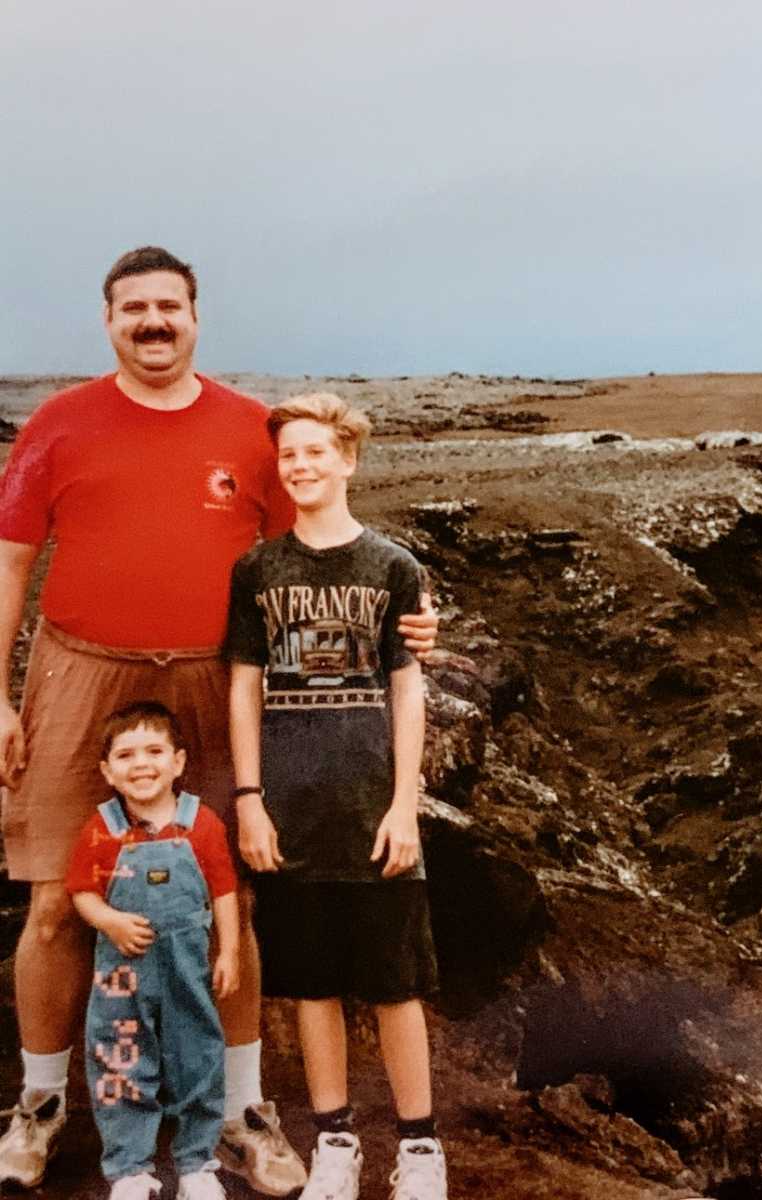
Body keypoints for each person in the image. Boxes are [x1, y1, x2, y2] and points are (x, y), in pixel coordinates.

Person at [0, 246, 439, 1194]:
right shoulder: (58, 423)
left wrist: (408, 623)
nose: (153, 323)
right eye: (134, 309)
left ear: (196, 316)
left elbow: (316, 553)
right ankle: (39, 1106)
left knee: (229, 894)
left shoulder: (251, 430)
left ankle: (240, 1109)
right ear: (107, 319)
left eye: (170, 306)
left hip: (214, 678)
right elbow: (9, 566)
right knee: (49, 901)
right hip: (79, 673)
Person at [226, 394, 447, 1200]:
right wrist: (250, 798)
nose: (302, 466)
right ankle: (335, 1143)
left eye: (317, 452)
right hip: (291, 813)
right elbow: (244, 687)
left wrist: (403, 804)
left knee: (395, 985)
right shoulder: (258, 570)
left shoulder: (392, 567)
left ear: (349, 459)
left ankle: (420, 1150)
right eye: (289, 456)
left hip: (371, 812)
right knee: (313, 985)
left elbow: (408, 691)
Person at [67, 702, 238, 1200]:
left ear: (179, 762)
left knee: (198, 1058)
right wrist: (110, 921)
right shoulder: (102, 828)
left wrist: (228, 953)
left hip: (187, 971)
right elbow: (81, 891)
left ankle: (197, 1165)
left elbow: (224, 891)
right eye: (125, 754)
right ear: (107, 771)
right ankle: (129, 1169)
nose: (141, 764)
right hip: (123, 977)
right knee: (121, 1063)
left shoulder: (201, 822)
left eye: (154, 751)